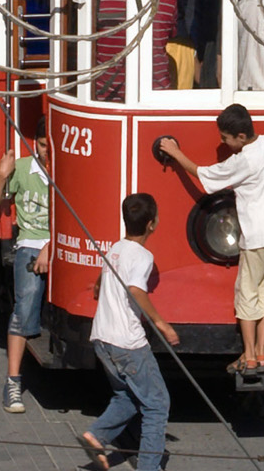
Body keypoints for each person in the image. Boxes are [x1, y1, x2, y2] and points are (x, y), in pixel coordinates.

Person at [155, 105, 264, 371]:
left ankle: (248, 355)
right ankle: (262, 353)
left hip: (260, 236)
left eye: (226, 138)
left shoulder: (244, 160)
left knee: (247, 294)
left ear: (241, 136)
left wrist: (175, 152)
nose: (223, 143)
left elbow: (204, 175)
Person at [81, 192, 176, 471]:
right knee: (157, 404)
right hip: (128, 343)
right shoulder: (143, 256)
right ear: (152, 224)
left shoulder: (115, 249)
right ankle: (149, 467)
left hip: (102, 338)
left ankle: (96, 435)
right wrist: (160, 322)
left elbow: (101, 283)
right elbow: (135, 290)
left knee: (128, 396)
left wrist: (98, 287)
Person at [0, 120, 52, 413]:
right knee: (23, 307)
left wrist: (52, 247)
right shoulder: (25, 169)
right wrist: (2, 175)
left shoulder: (72, 168)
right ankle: (13, 381)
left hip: (59, 245)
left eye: (50, 146)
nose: (46, 153)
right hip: (31, 245)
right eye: (41, 145)